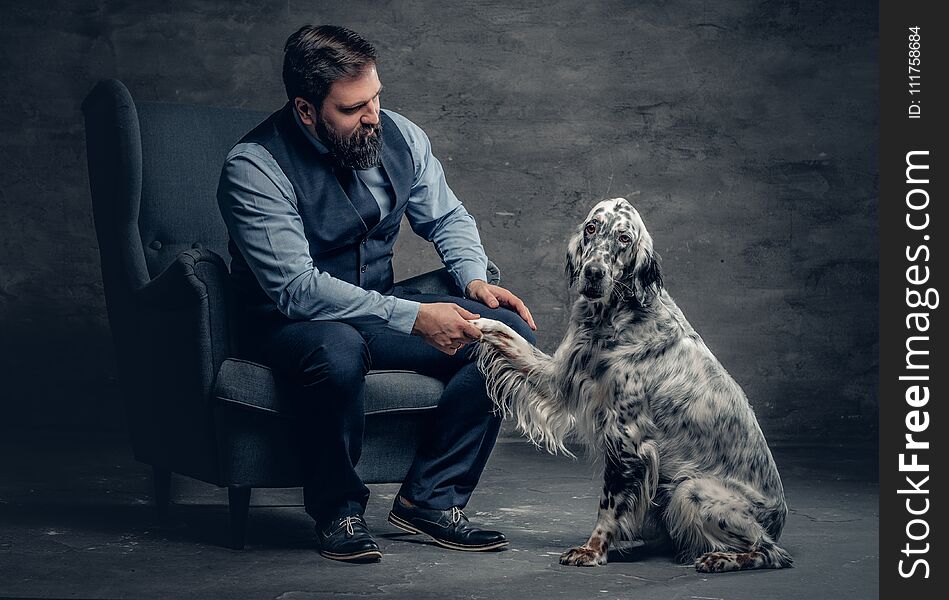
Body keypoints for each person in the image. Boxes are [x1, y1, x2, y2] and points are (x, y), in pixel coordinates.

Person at [216, 24, 537, 563]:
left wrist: (473, 275)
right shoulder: (254, 168)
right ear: (305, 110)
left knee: (505, 338)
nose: (373, 117)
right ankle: (338, 511)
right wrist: (413, 317)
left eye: (376, 98)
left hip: (376, 312)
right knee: (336, 350)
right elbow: (297, 290)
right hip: (288, 325)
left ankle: (430, 500)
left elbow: (448, 215)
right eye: (352, 108)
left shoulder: (401, 135)